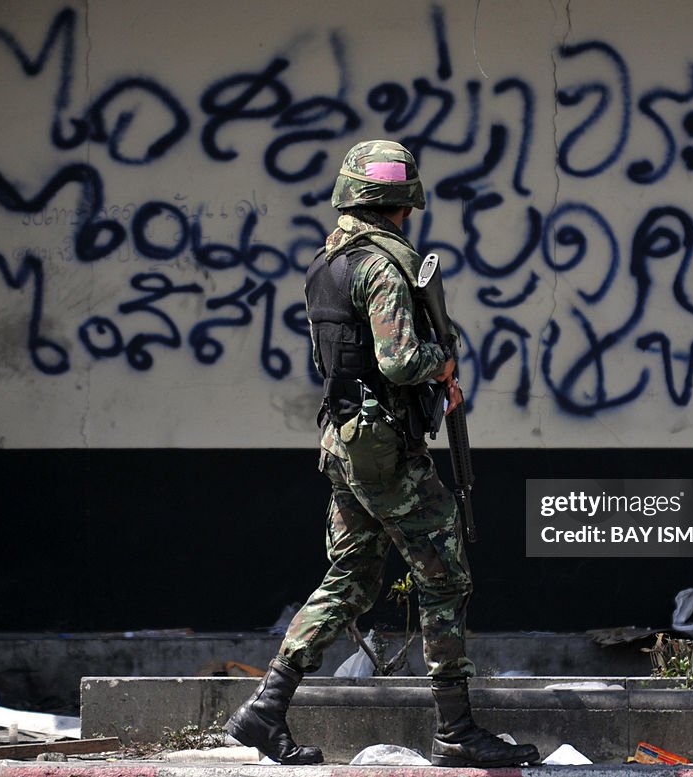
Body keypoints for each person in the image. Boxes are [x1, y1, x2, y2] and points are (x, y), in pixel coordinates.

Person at [226, 140, 540, 768]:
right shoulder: (382, 267)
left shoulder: (326, 263)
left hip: (343, 440)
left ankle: (264, 710)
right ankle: (455, 733)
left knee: (352, 577)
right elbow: (398, 359)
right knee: (444, 572)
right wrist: (442, 362)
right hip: (381, 447)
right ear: (402, 203)